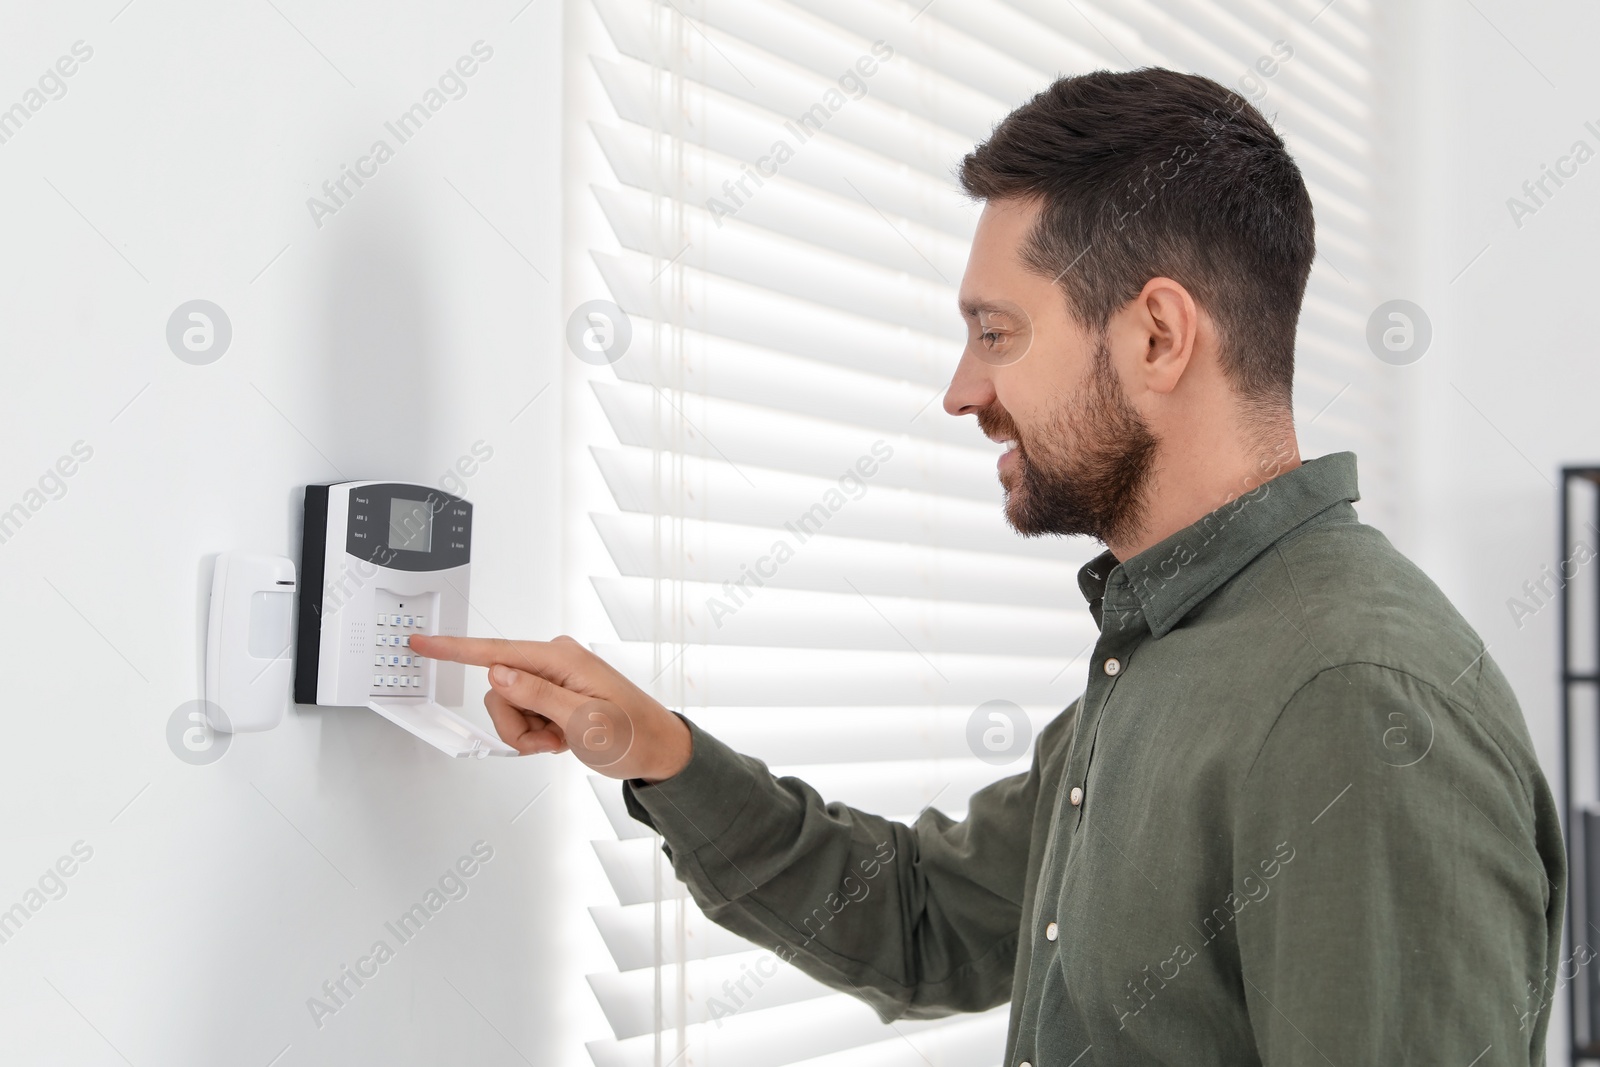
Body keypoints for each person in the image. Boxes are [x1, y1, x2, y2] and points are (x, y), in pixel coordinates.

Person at [413, 68, 1565, 1065]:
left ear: (1157, 336)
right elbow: (927, 920)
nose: (962, 390)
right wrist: (657, 751)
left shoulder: (1352, 700)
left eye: (998, 333)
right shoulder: (1170, 650)